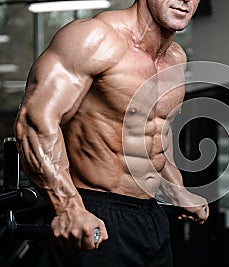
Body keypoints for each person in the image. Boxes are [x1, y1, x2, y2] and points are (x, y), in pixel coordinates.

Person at [14, 0, 209, 266]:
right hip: (92, 213)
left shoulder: (176, 58)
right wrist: (68, 206)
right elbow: (35, 123)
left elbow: (157, 131)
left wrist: (176, 189)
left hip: (150, 217)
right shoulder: (94, 38)